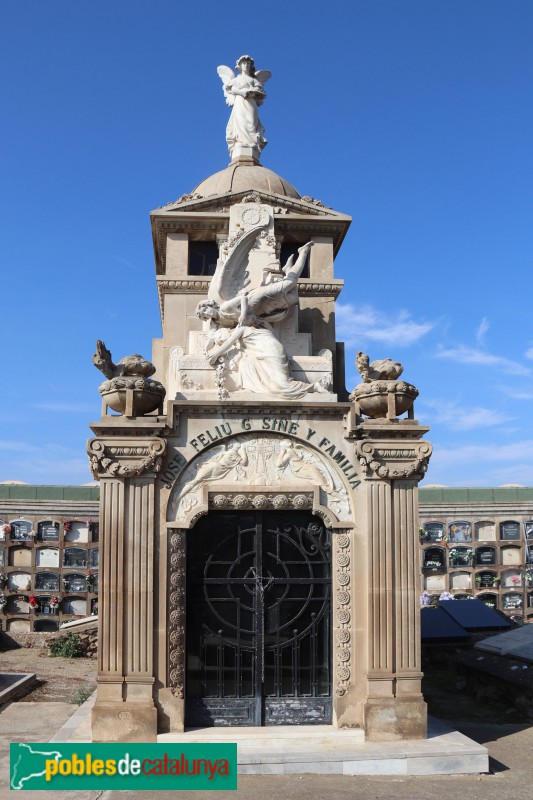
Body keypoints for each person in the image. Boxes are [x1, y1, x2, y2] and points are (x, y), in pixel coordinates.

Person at [197, 243, 326, 398]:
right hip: (259, 318)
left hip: (255, 300)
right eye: (204, 316)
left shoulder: (224, 309)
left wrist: (244, 315)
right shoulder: (224, 323)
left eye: (205, 310)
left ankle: (303, 252)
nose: (206, 315)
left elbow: (243, 297)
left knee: (290, 284)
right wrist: (207, 349)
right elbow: (214, 336)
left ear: (210, 304)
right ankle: (286, 271)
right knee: (293, 297)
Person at [217, 56, 270, 159]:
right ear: (240, 66)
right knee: (241, 121)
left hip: (251, 103)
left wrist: (254, 92)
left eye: (248, 64)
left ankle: (252, 143)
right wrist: (242, 92)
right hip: (240, 102)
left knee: (251, 122)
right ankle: (241, 142)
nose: (246, 65)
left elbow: (260, 90)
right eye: (244, 63)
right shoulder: (237, 79)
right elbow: (231, 89)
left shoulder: (253, 80)